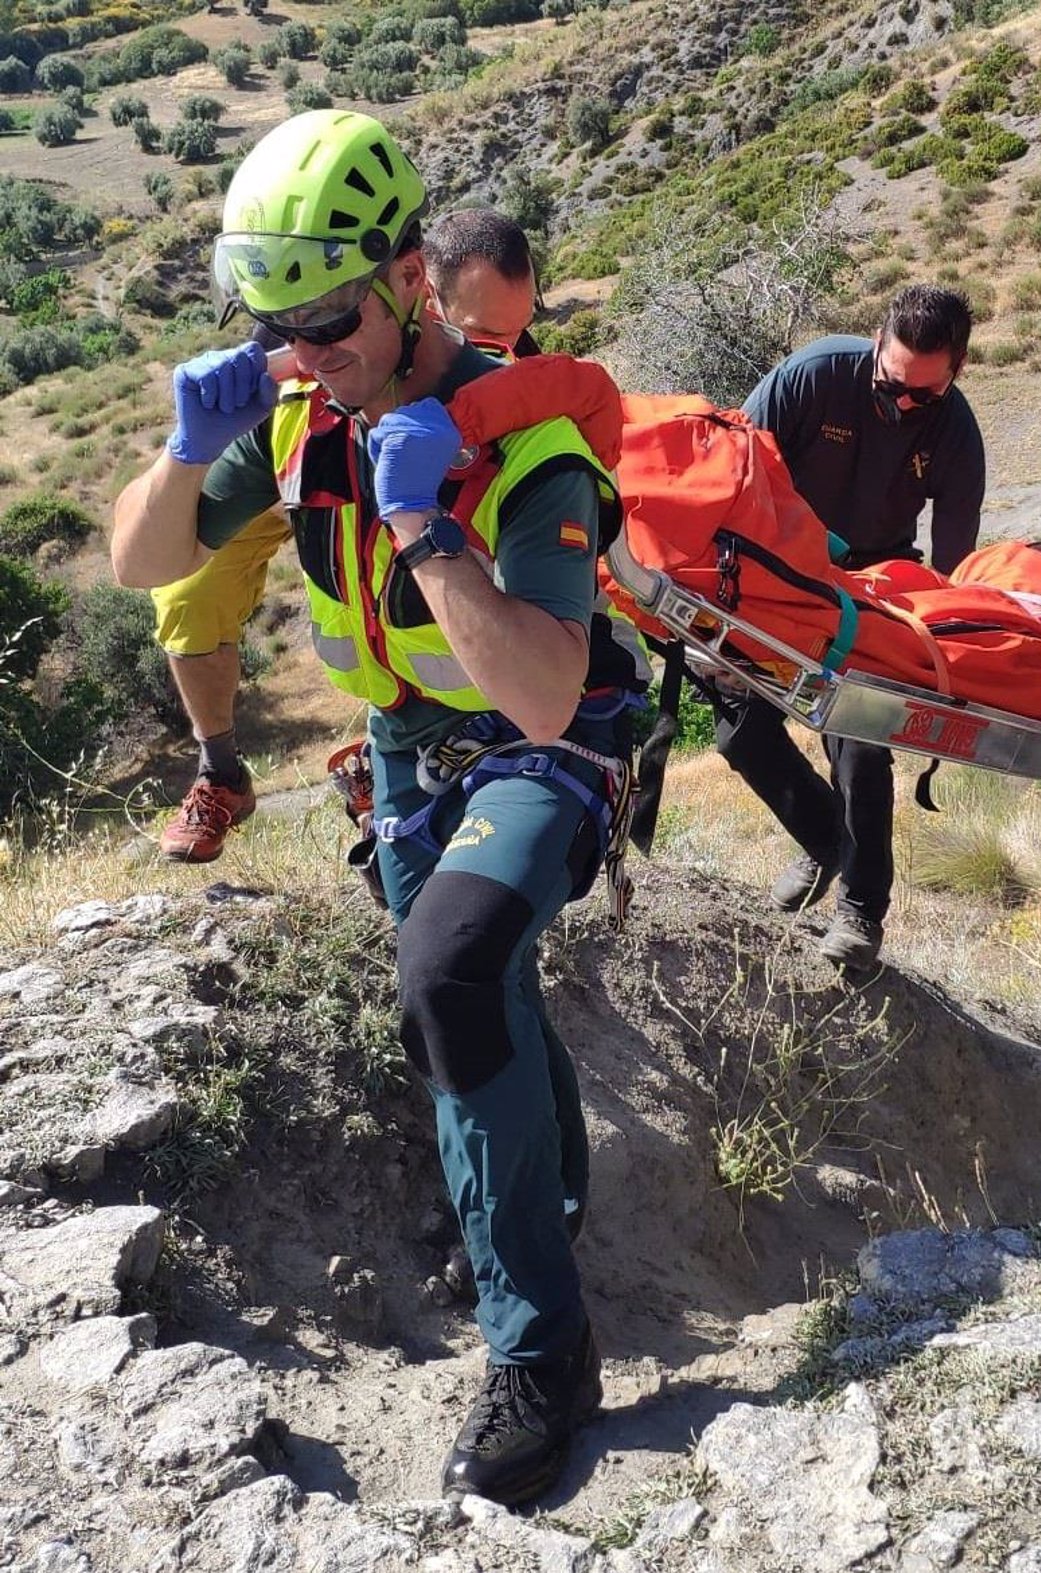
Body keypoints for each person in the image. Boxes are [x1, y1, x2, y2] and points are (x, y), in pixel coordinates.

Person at [110, 112, 633, 1506]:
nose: (305, 349)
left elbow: (537, 691)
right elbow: (140, 560)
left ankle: (543, 1356)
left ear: (410, 276)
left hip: (544, 741)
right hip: (411, 750)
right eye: (273, 322)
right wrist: (186, 447)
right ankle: (546, 1214)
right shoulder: (296, 413)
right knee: (476, 988)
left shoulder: (530, 454)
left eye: (329, 317)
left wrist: (428, 529)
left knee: (452, 969)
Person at [146, 206, 544, 864]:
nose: (500, 351)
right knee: (189, 592)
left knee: (399, 576)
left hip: (399, 454)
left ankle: (389, 747)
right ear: (420, 290)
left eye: (516, 333)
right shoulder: (326, 308)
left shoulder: (485, 369)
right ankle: (219, 769)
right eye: (483, 334)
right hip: (297, 441)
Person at [719, 283, 986, 969]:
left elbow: (953, 570)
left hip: (875, 582)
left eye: (921, 396)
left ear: (956, 370)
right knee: (736, 724)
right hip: (778, 567)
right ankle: (822, 837)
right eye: (891, 384)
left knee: (862, 735)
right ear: (875, 343)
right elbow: (730, 470)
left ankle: (863, 909)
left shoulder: (957, 435)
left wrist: (938, 655)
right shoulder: (812, 377)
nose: (901, 406)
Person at [424, 206, 542, 358]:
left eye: (522, 327)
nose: (510, 350)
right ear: (429, 297)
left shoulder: (522, 347)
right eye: (488, 333)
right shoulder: (398, 373)